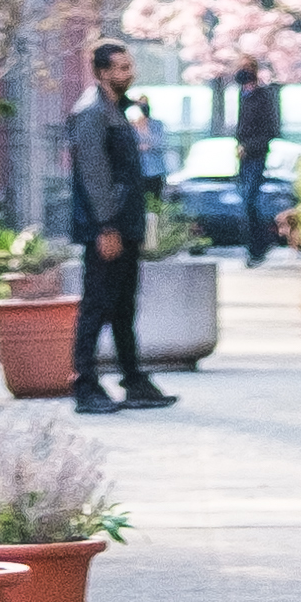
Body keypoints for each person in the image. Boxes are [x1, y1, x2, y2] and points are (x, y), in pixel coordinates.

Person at [67, 38, 172, 412]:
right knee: (97, 304)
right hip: (107, 227)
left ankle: (134, 379)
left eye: (130, 67)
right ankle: (85, 386)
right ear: (102, 73)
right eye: (122, 69)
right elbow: (94, 174)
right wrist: (106, 226)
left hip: (124, 223)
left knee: (124, 304)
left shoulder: (115, 109)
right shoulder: (92, 113)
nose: (130, 74)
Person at [233, 63, 282, 264]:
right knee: (247, 202)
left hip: (256, 154)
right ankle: (254, 247)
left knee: (250, 201)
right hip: (244, 155)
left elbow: (270, 130)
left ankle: (258, 247)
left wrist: (249, 147)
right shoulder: (242, 95)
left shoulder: (262, 96)